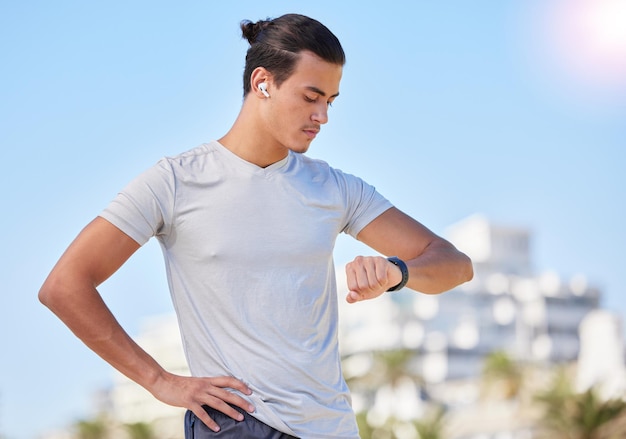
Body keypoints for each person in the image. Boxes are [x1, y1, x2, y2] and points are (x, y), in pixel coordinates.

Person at [39, 13, 473, 439]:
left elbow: (455, 264)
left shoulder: (335, 189)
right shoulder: (175, 181)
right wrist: (158, 381)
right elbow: (65, 285)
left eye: (331, 101)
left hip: (332, 427)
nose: (323, 116)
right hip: (236, 422)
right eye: (311, 97)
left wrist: (398, 272)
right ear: (262, 82)